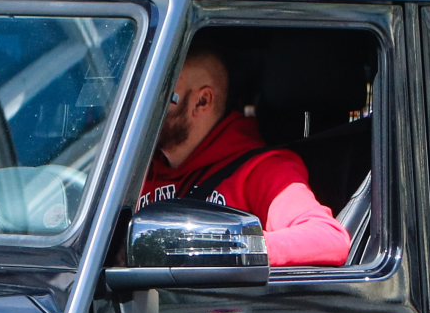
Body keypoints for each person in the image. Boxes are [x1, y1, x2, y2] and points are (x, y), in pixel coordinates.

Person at [138, 39, 351, 267]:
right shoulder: (132, 171)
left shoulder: (262, 169)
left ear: (202, 101)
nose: (147, 107)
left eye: (163, 96)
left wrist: (221, 248)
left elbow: (328, 237)